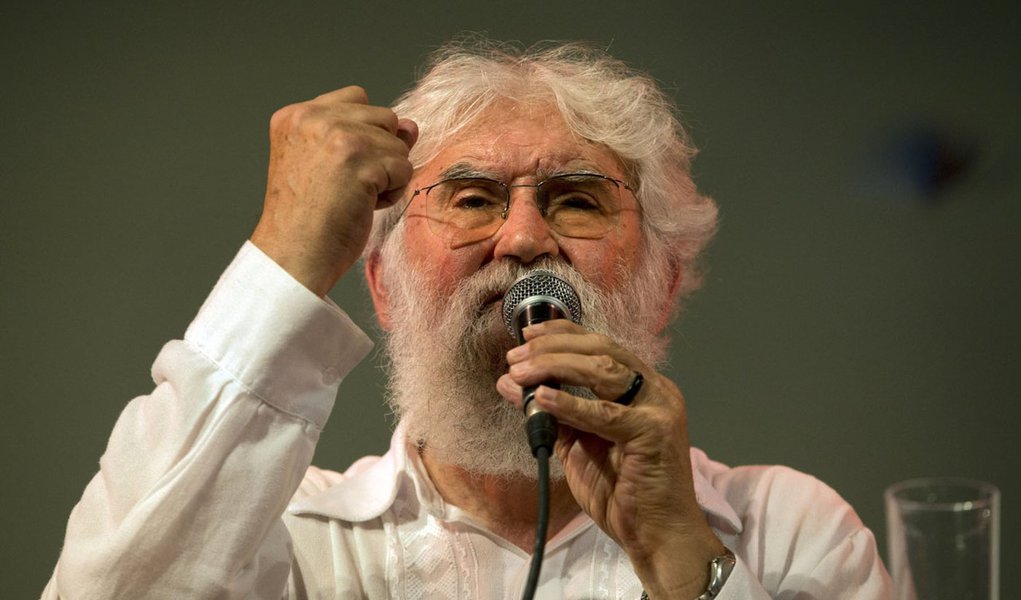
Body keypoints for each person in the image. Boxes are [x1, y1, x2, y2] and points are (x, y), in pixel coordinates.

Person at [43, 38, 892, 599]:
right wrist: (284, 260)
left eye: (578, 200)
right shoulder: (278, 540)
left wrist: (681, 555)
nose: (523, 238)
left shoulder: (786, 537)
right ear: (382, 287)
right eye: (472, 199)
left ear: (664, 283)